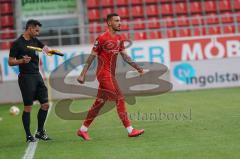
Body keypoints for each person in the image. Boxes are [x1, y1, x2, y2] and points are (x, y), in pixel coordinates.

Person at [77, 13, 144, 140]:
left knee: (99, 103)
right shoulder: (101, 38)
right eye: (116, 21)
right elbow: (91, 56)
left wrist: (137, 67)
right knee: (120, 98)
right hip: (103, 74)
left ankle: (83, 130)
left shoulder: (120, 38)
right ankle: (130, 130)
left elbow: (125, 56)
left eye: (120, 20)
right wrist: (82, 74)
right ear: (109, 23)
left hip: (109, 74)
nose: (120, 23)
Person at [8, 19, 52, 142]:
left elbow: (44, 47)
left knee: (45, 104)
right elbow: (10, 61)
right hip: (26, 77)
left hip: (37, 75)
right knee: (28, 107)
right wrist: (21, 61)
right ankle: (28, 135)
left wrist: (48, 50)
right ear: (30, 28)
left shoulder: (34, 40)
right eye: (36, 30)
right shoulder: (17, 43)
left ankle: (40, 131)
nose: (38, 33)